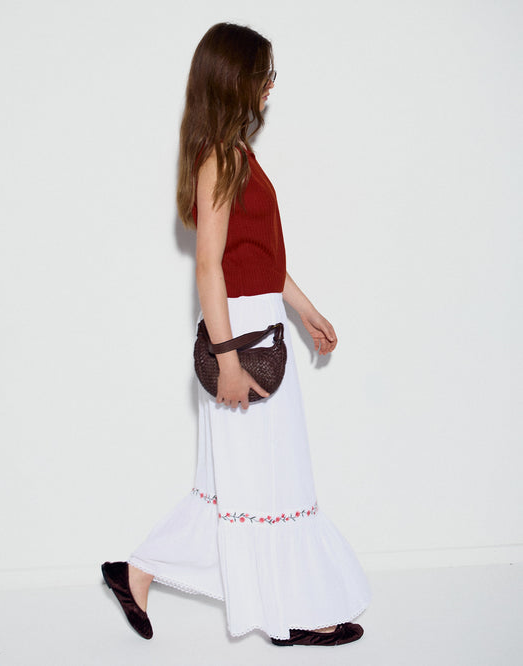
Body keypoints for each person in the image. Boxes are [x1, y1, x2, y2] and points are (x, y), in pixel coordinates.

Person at [102, 22, 371, 647]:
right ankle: (291, 614)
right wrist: (226, 359)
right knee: (268, 478)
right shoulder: (220, 157)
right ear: (234, 79)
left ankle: (137, 573)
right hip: (241, 335)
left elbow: (256, 258)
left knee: (244, 481)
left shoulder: (235, 153)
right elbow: (209, 266)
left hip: (258, 322)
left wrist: (305, 310)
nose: (269, 84)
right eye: (261, 73)